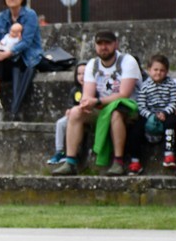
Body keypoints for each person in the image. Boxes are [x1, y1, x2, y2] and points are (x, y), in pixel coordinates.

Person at [51, 30, 141, 177]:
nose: (103, 47)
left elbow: (124, 94)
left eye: (107, 43)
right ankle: (70, 162)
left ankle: (118, 162)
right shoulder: (92, 64)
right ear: (95, 46)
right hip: (102, 106)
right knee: (75, 113)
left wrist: (97, 101)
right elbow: (87, 95)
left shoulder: (127, 61)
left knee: (116, 112)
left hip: (128, 107)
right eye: (100, 44)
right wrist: (86, 104)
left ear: (116, 45)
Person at [0, 0, 43, 122]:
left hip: (26, 58)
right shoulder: (1, 16)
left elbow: (26, 42)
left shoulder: (30, 15)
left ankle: (0, 108)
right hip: (7, 57)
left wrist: (6, 53)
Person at [126, 54, 176, 174]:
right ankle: (135, 161)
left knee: (171, 123)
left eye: (162, 70)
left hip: (166, 113)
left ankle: (169, 154)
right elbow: (141, 105)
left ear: (166, 72)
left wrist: (165, 112)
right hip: (149, 115)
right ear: (149, 70)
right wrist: (150, 115)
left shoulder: (170, 84)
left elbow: (174, 101)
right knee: (135, 129)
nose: (158, 73)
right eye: (155, 70)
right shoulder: (145, 86)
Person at [46, 63, 86, 165]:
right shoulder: (75, 90)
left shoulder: (93, 88)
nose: (81, 77)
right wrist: (69, 110)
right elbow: (71, 104)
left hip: (86, 115)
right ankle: (59, 152)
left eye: (85, 74)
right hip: (74, 115)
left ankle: (74, 153)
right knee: (60, 123)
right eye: (79, 74)